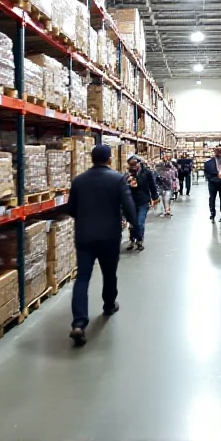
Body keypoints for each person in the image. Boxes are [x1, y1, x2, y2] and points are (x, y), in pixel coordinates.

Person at [66, 144, 139, 346]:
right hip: (109, 236)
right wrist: (134, 223)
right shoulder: (117, 179)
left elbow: (71, 209)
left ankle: (79, 323)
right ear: (109, 159)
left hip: (84, 236)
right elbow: (128, 204)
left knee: (82, 277)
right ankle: (108, 305)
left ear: (91, 159)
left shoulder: (78, 181)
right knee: (109, 272)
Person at [125, 155, 159, 250]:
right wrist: (128, 183)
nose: (133, 167)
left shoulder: (146, 173)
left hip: (143, 201)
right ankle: (132, 240)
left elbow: (152, 185)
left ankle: (139, 240)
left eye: (134, 164)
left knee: (139, 223)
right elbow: (123, 188)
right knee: (132, 223)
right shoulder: (127, 174)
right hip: (131, 201)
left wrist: (155, 197)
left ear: (139, 163)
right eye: (131, 165)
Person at [204, 144, 221, 221]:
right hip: (213, 183)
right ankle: (212, 213)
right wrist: (212, 178)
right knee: (212, 198)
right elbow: (206, 173)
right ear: (214, 152)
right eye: (217, 151)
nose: (219, 152)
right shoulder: (208, 163)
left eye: (220, 151)